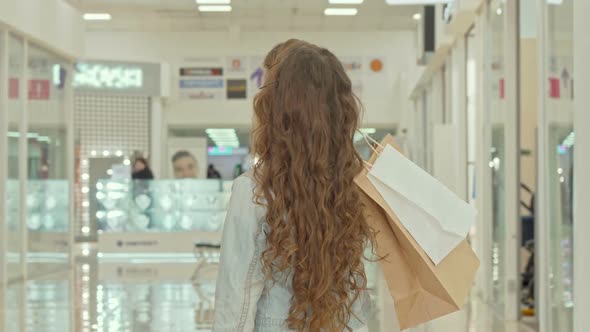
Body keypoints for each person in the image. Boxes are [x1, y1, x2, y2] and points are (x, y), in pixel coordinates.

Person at [214, 40, 373, 332]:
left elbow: (236, 302)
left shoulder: (254, 191)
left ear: (276, 110)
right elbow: (361, 298)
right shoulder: (354, 188)